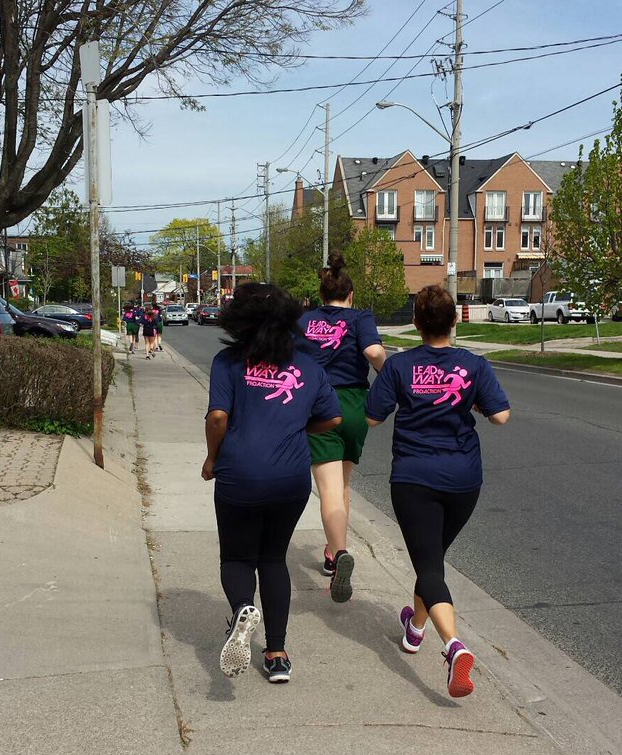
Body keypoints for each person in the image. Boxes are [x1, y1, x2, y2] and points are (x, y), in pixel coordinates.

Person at [365, 284, 510, 698]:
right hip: (464, 479)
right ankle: (414, 630)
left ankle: (454, 646)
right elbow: (501, 415)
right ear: (454, 322)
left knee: (428, 564)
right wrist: (476, 404)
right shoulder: (474, 366)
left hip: (415, 477)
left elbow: (373, 418)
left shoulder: (399, 367)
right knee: (432, 558)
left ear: (416, 323)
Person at [202, 282, 341, 684]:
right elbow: (332, 418)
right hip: (290, 479)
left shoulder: (228, 361)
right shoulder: (309, 365)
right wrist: (297, 426)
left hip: (239, 474)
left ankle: (244, 609)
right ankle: (277, 654)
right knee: (274, 559)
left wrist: (212, 458)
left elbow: (217, 418)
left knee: (237, 558)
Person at [298, 252, 385, 603]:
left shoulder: (304, 320)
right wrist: (386, 376)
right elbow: (375, 352)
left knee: (329, 489)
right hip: (354, 404)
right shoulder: (360, 317)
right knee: (344, 483)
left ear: (322, 296)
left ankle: (339, 553)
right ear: (350, 295)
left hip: (319, 404)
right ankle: (334, 550)